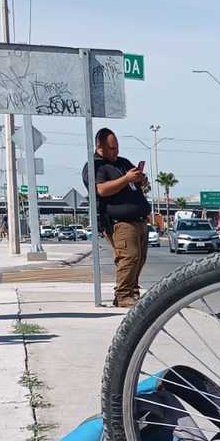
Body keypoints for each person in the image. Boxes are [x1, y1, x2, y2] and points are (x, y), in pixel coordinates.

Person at [82, 128, 150, 308]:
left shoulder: (122, 162)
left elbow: (133, 180)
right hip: (120, 222)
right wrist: (126, 179)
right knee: (128, 257)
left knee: (139, 258)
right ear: (99, 147)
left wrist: (140, 179)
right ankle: (122, 295)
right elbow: (101, 190)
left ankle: (132, 292)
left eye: (117, 147)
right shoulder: (96, 166)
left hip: (139, 219)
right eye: (112, 148)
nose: (116, 152)